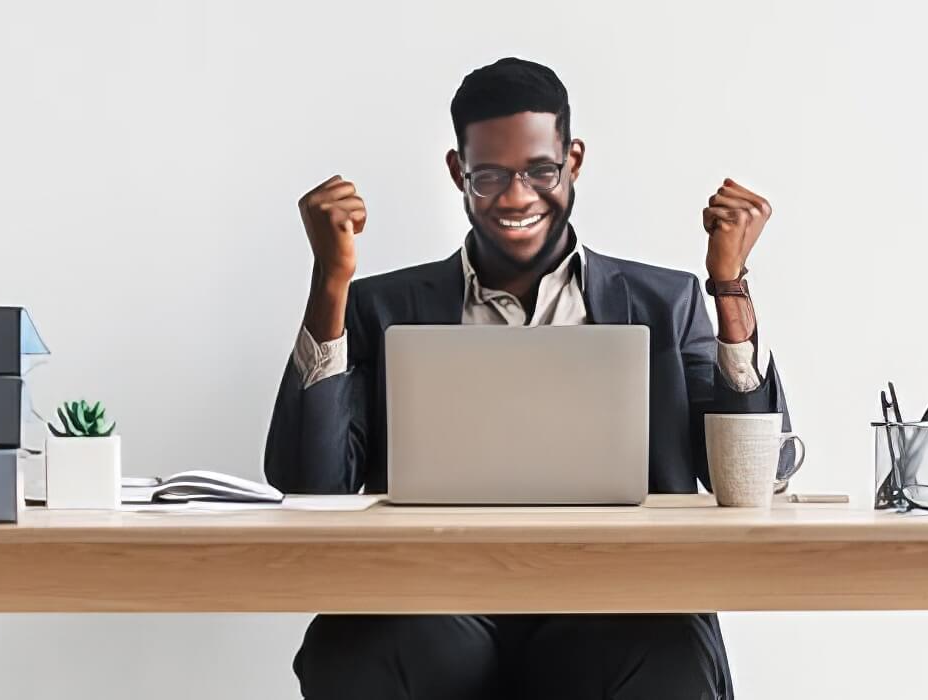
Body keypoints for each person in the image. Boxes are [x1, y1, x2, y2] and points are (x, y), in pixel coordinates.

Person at [263, 57, 794, 700]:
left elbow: (758, 478)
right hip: (436, 606)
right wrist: (330, 284)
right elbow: (310, 486)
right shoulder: (382, 307)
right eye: (489, 176)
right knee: (353, 649)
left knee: (668, 652)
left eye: (540, 171)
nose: (516, 197)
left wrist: (729, 287)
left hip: (616, 604)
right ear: (458, 172)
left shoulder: (666, 303)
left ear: (573, 161)